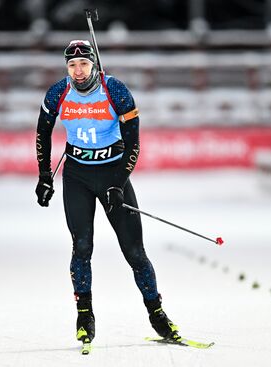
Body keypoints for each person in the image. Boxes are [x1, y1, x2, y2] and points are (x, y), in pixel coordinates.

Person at [35, 40, 178, 345]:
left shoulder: (116, 91)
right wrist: (45, 175)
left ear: (94, 64)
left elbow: (134, 143)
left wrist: (120, 181)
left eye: (83, 64)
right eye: (72, 66)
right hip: (77, 177)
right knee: (82, 247)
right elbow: (42, 131)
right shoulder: (58, 92)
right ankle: (84, 315)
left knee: (134, 252)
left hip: (114, 175)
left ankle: (157, 313)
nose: (78, 71)